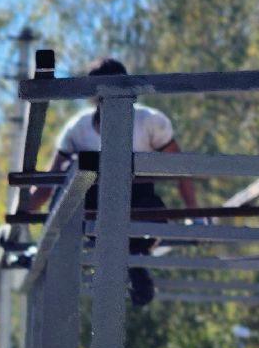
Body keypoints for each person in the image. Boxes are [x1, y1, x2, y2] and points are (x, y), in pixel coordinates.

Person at [29, 57, 196, 305]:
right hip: (96, 208)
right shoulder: (79, 128)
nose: (110, 101)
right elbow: (51, 182)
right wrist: (23, 214)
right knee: (78, 189)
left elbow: (180, 167)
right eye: (103, 95)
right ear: (94, 97)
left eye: (118, 92)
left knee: (148, 221)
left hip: (139, 204)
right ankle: (126, 263)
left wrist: (195, 215)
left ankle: (131, 261)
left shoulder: (149, 122)